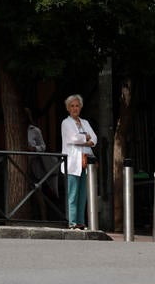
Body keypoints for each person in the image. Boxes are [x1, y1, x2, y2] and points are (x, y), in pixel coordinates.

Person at [61, 92, 98, 227]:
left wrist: (87, 139)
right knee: (73, 193)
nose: (75, 108)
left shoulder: (85, 122)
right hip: (72, 163)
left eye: (77, 106)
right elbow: (73, 138)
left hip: (85, 162)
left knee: (83, 194)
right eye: (72, 106)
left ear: (81, 107)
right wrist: (86, 138)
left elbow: (94, 138)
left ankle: (81, 222)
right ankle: (72, 222)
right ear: (68, 108)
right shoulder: (66, 123)